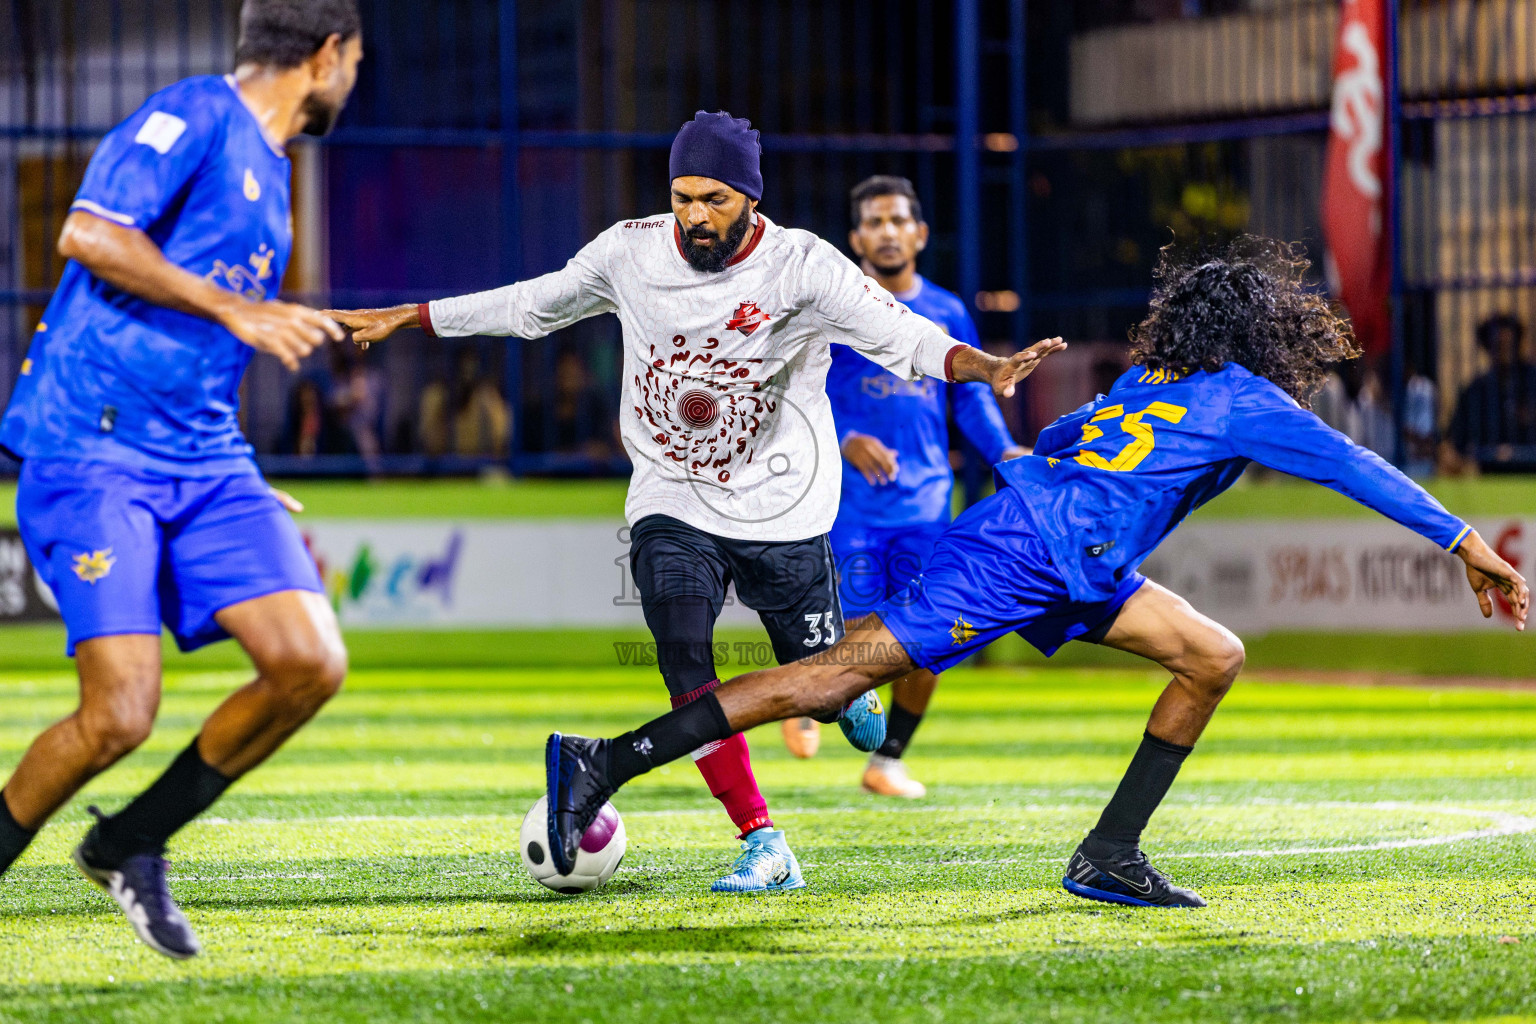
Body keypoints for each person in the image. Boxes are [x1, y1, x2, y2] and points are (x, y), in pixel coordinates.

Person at [542, 237, 1528, 906]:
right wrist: (1467, 542)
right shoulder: (1246, 399)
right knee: (833, 678)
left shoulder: (1152, 378)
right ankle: (605, 760)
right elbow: (1356, 465)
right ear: (1256, 333)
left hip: (1065, 555)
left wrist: (1039, 471)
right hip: (1028, 554)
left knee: (1211, 654)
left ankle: (1109, 854)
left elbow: (1062, 433)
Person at [326, 110, 1055, 894]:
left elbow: (902, 334)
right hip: (674, 500)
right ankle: (762, 839)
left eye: (713, 199)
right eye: (682, 197)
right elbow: (535, 304)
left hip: (786, 510)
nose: (695, 216)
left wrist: (986, 367)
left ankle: (850, 704)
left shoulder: (804, 264)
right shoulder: (629, 251)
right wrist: (417, 317)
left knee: (828, 679)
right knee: (687, 666)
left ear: (749, 197)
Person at [0, 0, 363, 958]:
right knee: (118, 714)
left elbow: (192, 346)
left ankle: (129, 842)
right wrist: (236, 310)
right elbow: (88, 232)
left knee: (308, 662)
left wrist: (231, 464)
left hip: (202, 461)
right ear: (328, 56)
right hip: (92, 450)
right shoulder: (194, 114)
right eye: (355, 61)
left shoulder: (273, 170)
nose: (354, 79)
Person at [788, 175, 1026, 800]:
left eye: (899, 221)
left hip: (925, 501)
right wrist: (843, 440)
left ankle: (886, 760)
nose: (887, 231)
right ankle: (807, 692)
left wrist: (1004, 451)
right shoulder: (833, 309)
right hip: (850, 501)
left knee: (929, 631)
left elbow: (970, 402)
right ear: (856, 237)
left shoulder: (946, 311)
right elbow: (793, 390)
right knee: (863, 625)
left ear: (919, 233)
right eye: (874, 221)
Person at [1440, 313, 1536, 474]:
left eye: (1510, 345)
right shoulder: (1476, 391)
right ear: (1487, 347)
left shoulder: (1532, 382)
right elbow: (1456, 442)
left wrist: (1519, 453)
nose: (1505, 352)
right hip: (1490, 481)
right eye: (1499, 345)